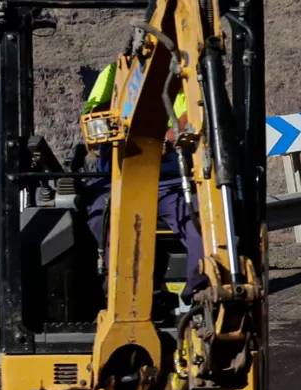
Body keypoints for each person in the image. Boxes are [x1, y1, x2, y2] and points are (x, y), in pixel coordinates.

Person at [79, 61, 208, 304]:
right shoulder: (117, 72)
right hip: (118, 177)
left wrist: (168, 138)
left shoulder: (189, 72)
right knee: (101, 218)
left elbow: (197, 109)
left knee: (200, 222)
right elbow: (94, 115)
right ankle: (121, 297)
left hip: (172, 178)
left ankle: (201, 293)